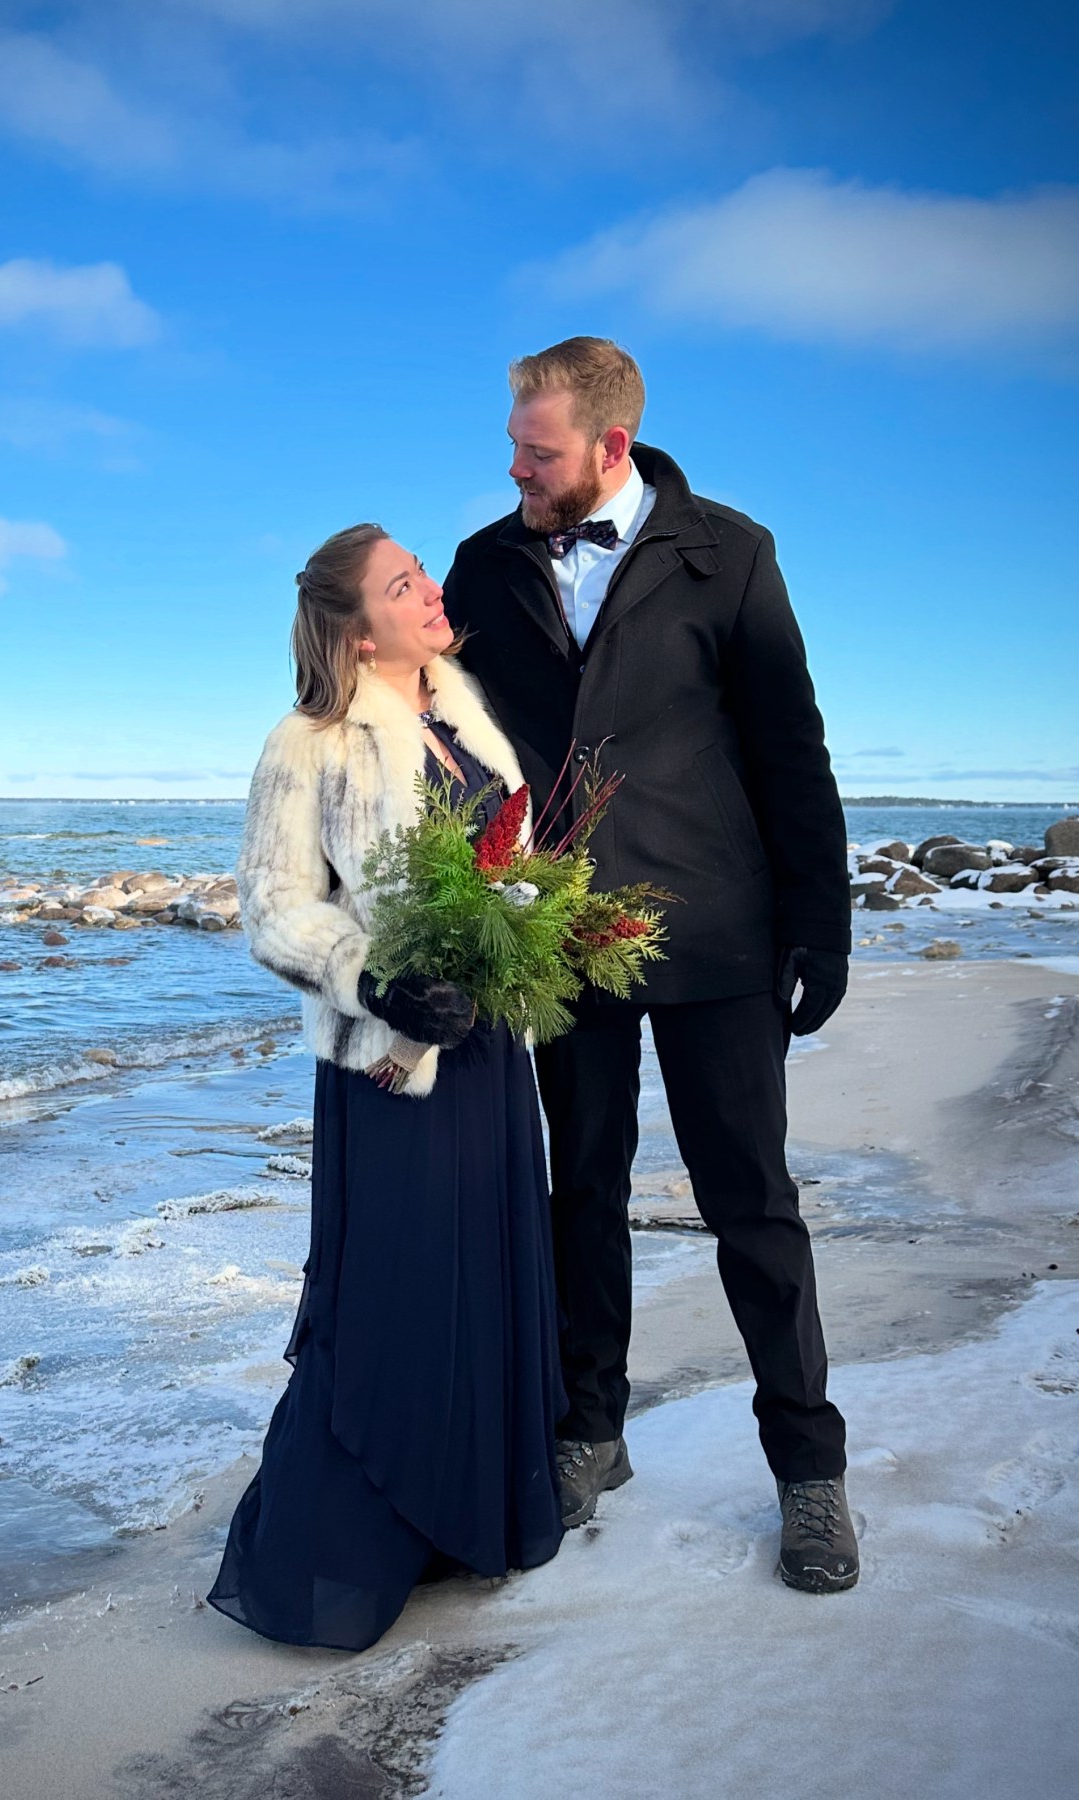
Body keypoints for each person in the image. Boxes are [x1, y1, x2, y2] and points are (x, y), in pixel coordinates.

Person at [442, 337, 860, 1594]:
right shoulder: (482, 562)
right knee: (583, 1192)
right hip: (558, 934)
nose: (513, 466)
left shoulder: (727, 552)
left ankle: (808, 1474)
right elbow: (450, 750)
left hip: (717, 928)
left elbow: (790, 743)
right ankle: (589, 1434)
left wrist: (818, 920)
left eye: (537, 449)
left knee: (752, 1205)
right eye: (513, 442)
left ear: (609, 448)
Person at [208, 524, 565, 1650]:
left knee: (485, 1282)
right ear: (355, 628)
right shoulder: (307, 739)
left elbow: (506, 867)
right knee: (395, 1301)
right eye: (401, 585)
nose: (429, 592)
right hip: (392, 1062)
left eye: (423, 576)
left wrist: (548, 929)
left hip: (489, 1051)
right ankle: (346, 1554)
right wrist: (379, 983)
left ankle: (462, 1525)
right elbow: (270, 908)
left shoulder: (459, 716)